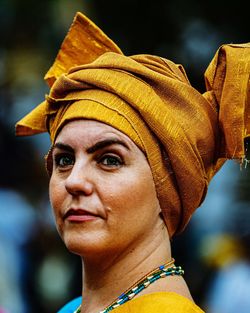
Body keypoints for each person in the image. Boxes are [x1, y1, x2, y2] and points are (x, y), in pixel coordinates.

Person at [15, 11, 250, 313]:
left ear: (169, 187)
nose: (74, 180)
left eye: (109, 160)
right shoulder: (74, 308)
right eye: (63, 159)